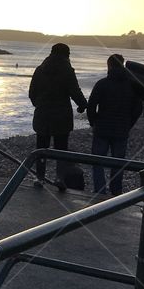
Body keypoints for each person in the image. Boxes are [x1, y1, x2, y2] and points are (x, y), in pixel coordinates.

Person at [28, 43, 87, 187]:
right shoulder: (67, 70)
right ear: (66, 55)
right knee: (61, 149)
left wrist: (39, 105)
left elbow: (32, 92)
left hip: (42, 115)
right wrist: (82, 105)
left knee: (41, 148)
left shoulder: (40, 70)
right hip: (61, 116)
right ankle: (59, 178)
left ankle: (39, 178)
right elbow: (75, 91)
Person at [87, 55, 144, 196]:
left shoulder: (102, 84)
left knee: (98, 161)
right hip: (121, 129)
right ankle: (116, 191)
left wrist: (93, 123)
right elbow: (138, 109)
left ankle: (100, 190)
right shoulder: (131, 86)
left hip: (102, 129)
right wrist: (128, 124)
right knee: (117, 163)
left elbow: (91, 106)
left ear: (109, 66)